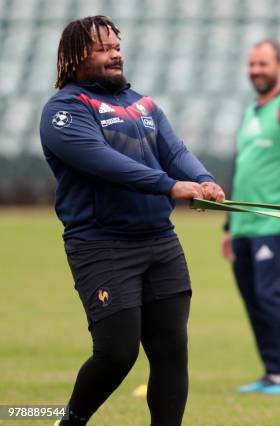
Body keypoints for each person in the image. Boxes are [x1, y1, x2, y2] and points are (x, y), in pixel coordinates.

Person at [40, 16, 225, 425]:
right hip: (103, 246)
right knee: (116, 354)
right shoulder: (64, 110)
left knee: (172, 351)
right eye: (103, 48)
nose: (115, 53)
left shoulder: (141, 104)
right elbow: (107, 164)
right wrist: (170, 186)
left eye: (116, 46)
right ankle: (68, 420)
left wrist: (203, 179)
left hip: (159, 241)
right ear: (73, 58)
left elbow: (175, 151)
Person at [220, 39, 280, 394]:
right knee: (253, 298)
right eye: (251, 65)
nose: (255, 71)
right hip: (245, 225)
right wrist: (229, 225)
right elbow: (242, 169)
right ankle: (275, 372)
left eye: (262, 64)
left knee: (271, 295)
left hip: (275, 223)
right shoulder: (252, 111)